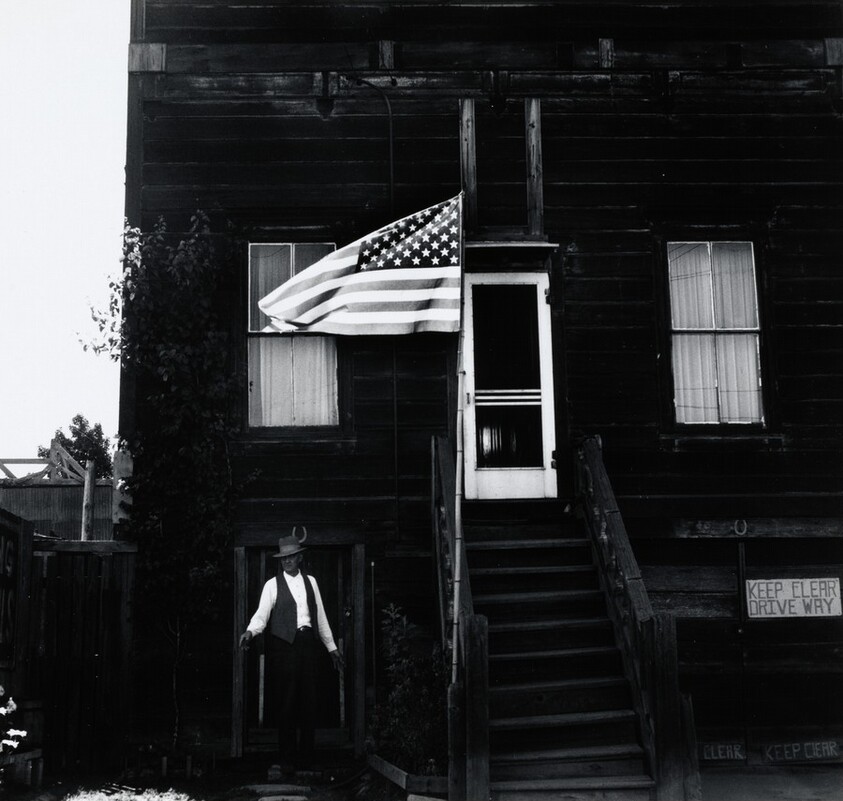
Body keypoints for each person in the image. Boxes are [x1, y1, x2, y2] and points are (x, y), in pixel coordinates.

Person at [239, 533, 343, 773]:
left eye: (291, 557)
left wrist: (332, 648)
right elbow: (261, 616)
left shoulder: (312, 582)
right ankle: (285, 759)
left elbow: (321, 618)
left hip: (308, 644)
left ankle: (307, 758)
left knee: (309, 701)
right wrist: (250, 633)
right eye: (283, 558)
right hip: (284, 647)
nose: (287, 561)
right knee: (286, 703)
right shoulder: (271, 585)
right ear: (280, 560)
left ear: (299, 558)